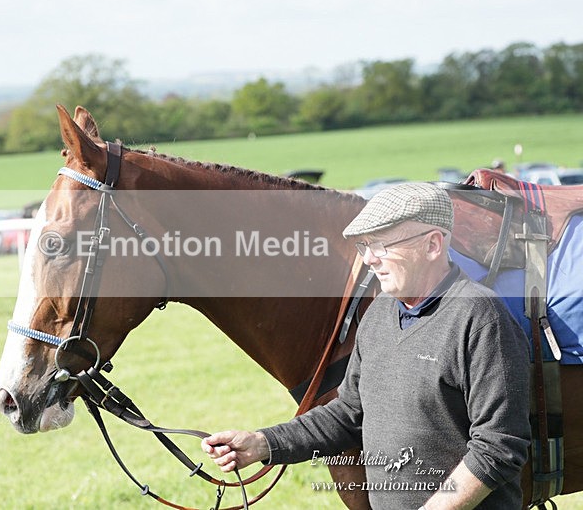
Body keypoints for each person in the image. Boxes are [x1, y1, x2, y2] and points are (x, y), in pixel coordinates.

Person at [202, 183, 531, 509]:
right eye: (365, 246)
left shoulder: (481, 317)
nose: (370, 259)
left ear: (432, 245)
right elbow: (348, 414)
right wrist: (262, 443)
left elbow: (498, 447)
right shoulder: (379, 313)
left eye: (383, 244)